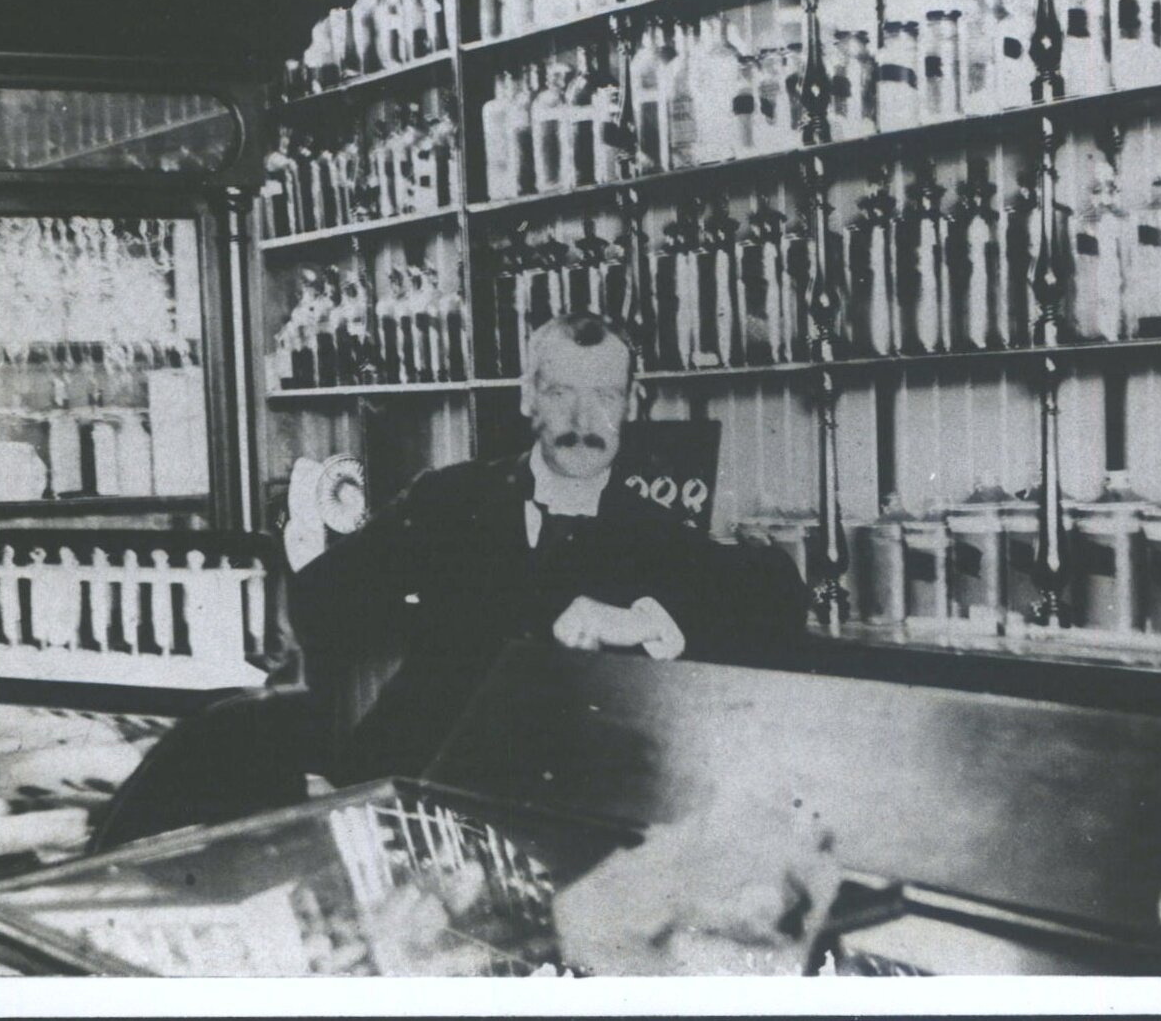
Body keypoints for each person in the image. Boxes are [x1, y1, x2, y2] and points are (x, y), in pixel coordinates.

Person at [288, 311, 809, 781]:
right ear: (527, 397)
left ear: (632, 404)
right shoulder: (449, 500)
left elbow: (779, 593)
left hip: (567, 801)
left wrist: (642, 620)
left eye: (604, 396)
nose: (584, 423)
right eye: (561, 393)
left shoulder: (651, 532)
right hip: (424, 786)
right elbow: (313, 604)